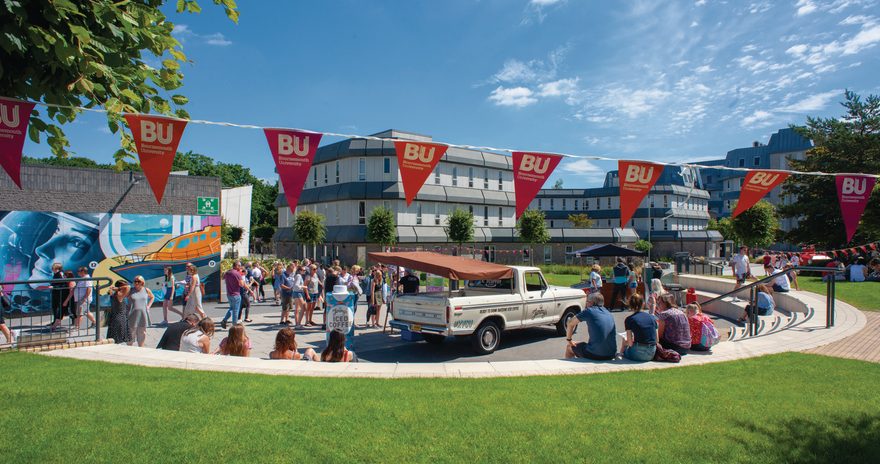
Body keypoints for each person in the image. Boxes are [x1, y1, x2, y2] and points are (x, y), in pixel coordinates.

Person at [564, 293, 617, 361]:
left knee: (569, 347)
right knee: (586, 345)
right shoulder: (608, 313)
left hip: (595, 354)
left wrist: (569, 340)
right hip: (611, 354)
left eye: (587, 302)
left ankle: (570, 370)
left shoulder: (589, 311)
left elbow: (570, 323)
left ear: (591, 303)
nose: (586, 304)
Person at [621, 294, 657, 362]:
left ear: (630, 305)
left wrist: (625, 344)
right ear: (643, 304)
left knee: (624, 343)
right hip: (652, 353)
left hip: (638, 353)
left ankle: (620, 354)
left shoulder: (629, 319)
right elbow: (657, 340)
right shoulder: (652, 317)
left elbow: (630, 343)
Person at [127, 275, 155, 347]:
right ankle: (129, 348)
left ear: (142, 282)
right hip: (132, 314)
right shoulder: (131, 290)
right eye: (135, 281)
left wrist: (148, 306)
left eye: (138, 281)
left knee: (142, 332)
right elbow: (123, 294)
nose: (136, 283)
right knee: (131, 332)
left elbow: (152, 297)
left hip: (143, 314)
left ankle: (141, 348)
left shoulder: (146, 290)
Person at [220, 261, 247, 330]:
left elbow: (223, 278)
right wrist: (243, 278)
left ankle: (224, 320)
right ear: (236, 266)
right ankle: (235, 326)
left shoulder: (228, 272)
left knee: (232, 308)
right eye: (239, 266)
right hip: (236, 294)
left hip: (229, 294)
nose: (240, 267)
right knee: (236, 310)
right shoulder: (237, 273)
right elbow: (242, 284)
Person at [107, 280, 131, 344]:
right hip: (120, 319)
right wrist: (118, 288)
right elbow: (128, 287)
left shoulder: (114, 294)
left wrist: (116, 288)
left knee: (114, 338)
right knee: (118, 339)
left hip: (114, 317)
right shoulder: (119, 294)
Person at [48, 262, 67, 331]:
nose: (52, 269)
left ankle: (56, 322)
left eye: (53, 268)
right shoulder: (55, 274)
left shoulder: (60, 274)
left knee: (59, 308)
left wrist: (54, 286)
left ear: (57, 268)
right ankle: (55, 321)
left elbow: (64, 284)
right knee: (54, 307)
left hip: (60, 294)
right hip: (55, 293)